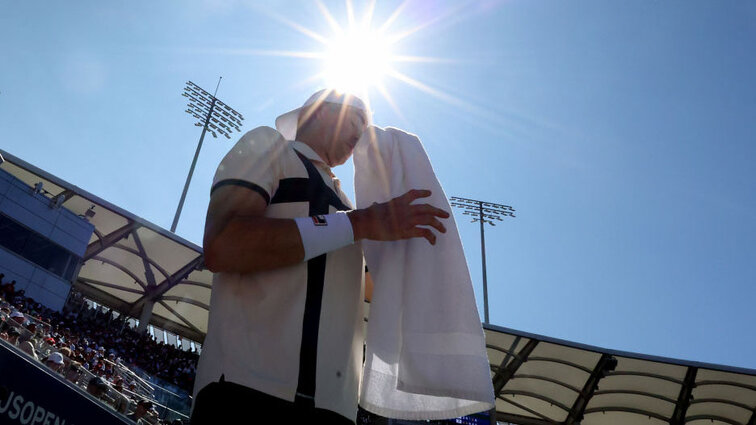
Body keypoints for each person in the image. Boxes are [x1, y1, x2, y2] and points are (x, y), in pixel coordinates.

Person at [190, 89, 450, 424]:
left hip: (335, 410)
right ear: (321, 112)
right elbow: (223, 244)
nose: (360, 137)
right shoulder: (269, 146)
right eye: (355, 121)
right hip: (245, 391)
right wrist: (363, 222)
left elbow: (375, 291)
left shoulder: (351, 206)